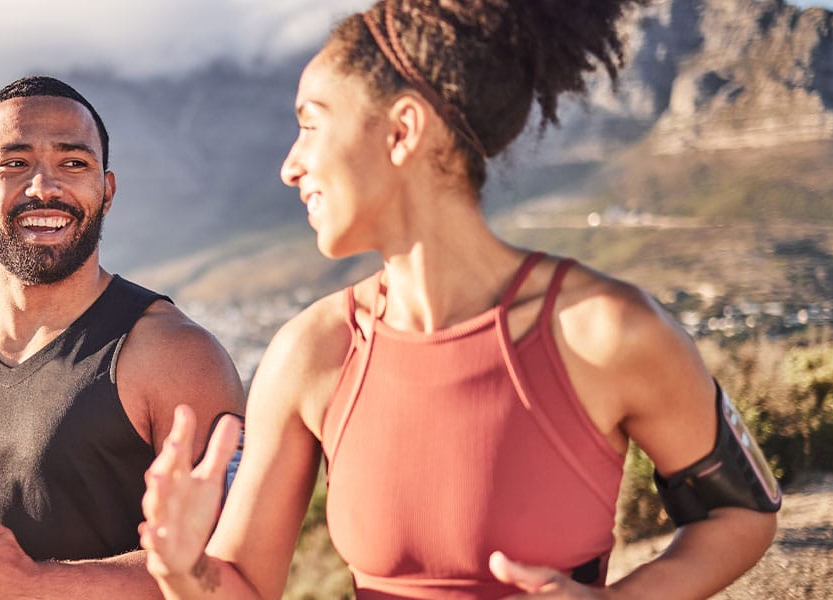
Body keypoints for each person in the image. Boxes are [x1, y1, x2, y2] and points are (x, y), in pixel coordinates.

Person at [139, 1, 780, 598]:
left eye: (310, 124)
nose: (290, 164)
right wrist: (181, 568)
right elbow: (243, 585)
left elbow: (741, 513)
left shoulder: (606, 331)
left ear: (402, 131)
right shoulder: (312, 351)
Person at [0, 76, 246, 598]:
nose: (44, 187)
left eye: (74, 163)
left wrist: (34, 583)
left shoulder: (177, 357)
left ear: (107, 191)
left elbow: (223, 568)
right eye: (14, 163)